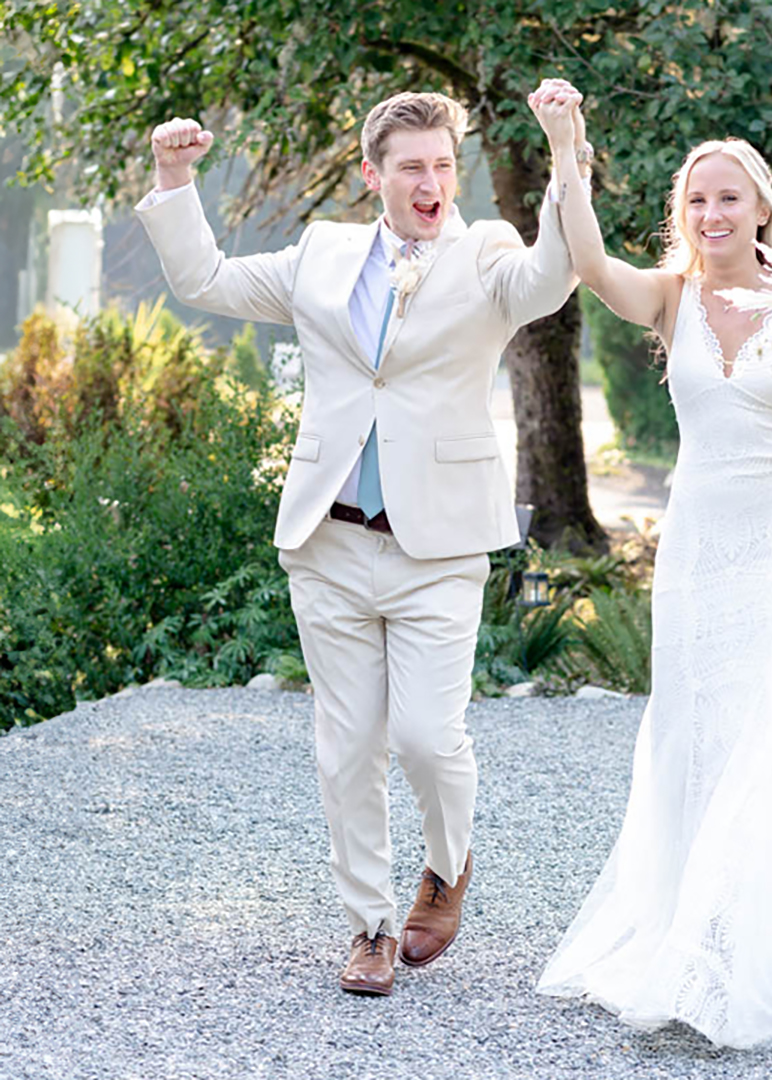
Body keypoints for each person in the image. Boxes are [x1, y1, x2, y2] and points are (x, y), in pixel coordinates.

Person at [136, 81, 588, 997]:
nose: (432, 183)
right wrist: (175, 179)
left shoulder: (488, 253)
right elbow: (206, 280)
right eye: (412, 167)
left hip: (439, 549)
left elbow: (553, 276)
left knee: (427, 738)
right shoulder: (324, 255)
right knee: (347, 749)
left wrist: (566, 149)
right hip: (329, 542)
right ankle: (371, 925)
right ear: (375, 174)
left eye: (443, 166)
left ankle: (448, 865)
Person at [531, 94, 772, 1052]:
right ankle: (693, 924)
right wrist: (565, 149)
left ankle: (751, 936)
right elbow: (585, 265)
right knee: (699, 724)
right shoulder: (668, 296)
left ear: (759, 209)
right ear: (685, 213)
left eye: (728, 197)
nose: (711, 214)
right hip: (701, 541)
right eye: (696, 199)